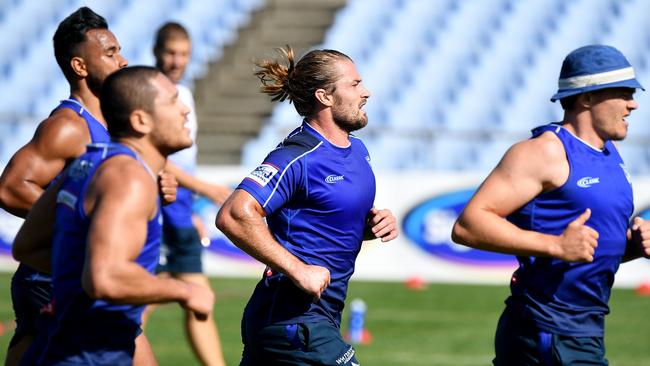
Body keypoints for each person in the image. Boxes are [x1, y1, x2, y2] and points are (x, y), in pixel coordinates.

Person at [451, 44, 650, 365]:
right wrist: (555, 245)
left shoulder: (609, 153)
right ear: (586, 97)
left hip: (583, 330)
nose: (633, 104)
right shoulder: (545, 151)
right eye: (624, 93)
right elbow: (467, 225)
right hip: (546, 329)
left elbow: (584, 249)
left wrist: (634, 246)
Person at [14, 65, 215, 365]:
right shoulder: (129, 178)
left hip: (74, 347)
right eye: (174, 101)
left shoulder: (89, 162)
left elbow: (26, 247)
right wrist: (185, 290)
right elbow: (105, 278)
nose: (186, 110)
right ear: (140, 120)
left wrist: (77, 278)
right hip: (88, 356)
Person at [216, 46, 399, 365]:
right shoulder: (296, 156)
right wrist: (297, 269)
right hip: (293, 322)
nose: (366, 92)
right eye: (354, 85)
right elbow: (234, 214)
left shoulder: (358, 150)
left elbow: (323, 221)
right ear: (324, 96)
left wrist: (370, 226)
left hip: (318, 317)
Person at [0, 7, 134, 365]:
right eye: (110, 53)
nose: (122, 61)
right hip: (52, 277)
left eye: (118, 50)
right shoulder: (69, 126)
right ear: (80, 66)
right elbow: (12, 187)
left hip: (73, 275)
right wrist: (78, 226)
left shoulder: (109, 123)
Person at [143, 21, 228, 366]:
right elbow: (153, 158)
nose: (177, 61)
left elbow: (179, 163)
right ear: (156, 53)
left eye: (184, 54)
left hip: (179, 214)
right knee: (139, 305)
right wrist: (205, 189)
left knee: (200, 298)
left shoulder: (185, 94)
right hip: (153, 213)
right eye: (171, 53)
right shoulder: (146, 92)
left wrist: (190, 208)